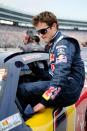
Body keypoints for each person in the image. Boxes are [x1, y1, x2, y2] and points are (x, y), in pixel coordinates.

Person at [18, 11, 85, 116]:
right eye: (38, 32)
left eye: (43, 31)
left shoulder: (62, 44)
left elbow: (61, 74)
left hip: (69, 90)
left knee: (23, 89)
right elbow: (52, 73)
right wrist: (36, 71)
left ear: (54, 26)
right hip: (68, 86)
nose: (41, 35)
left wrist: (44, 102)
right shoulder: (53, 43)